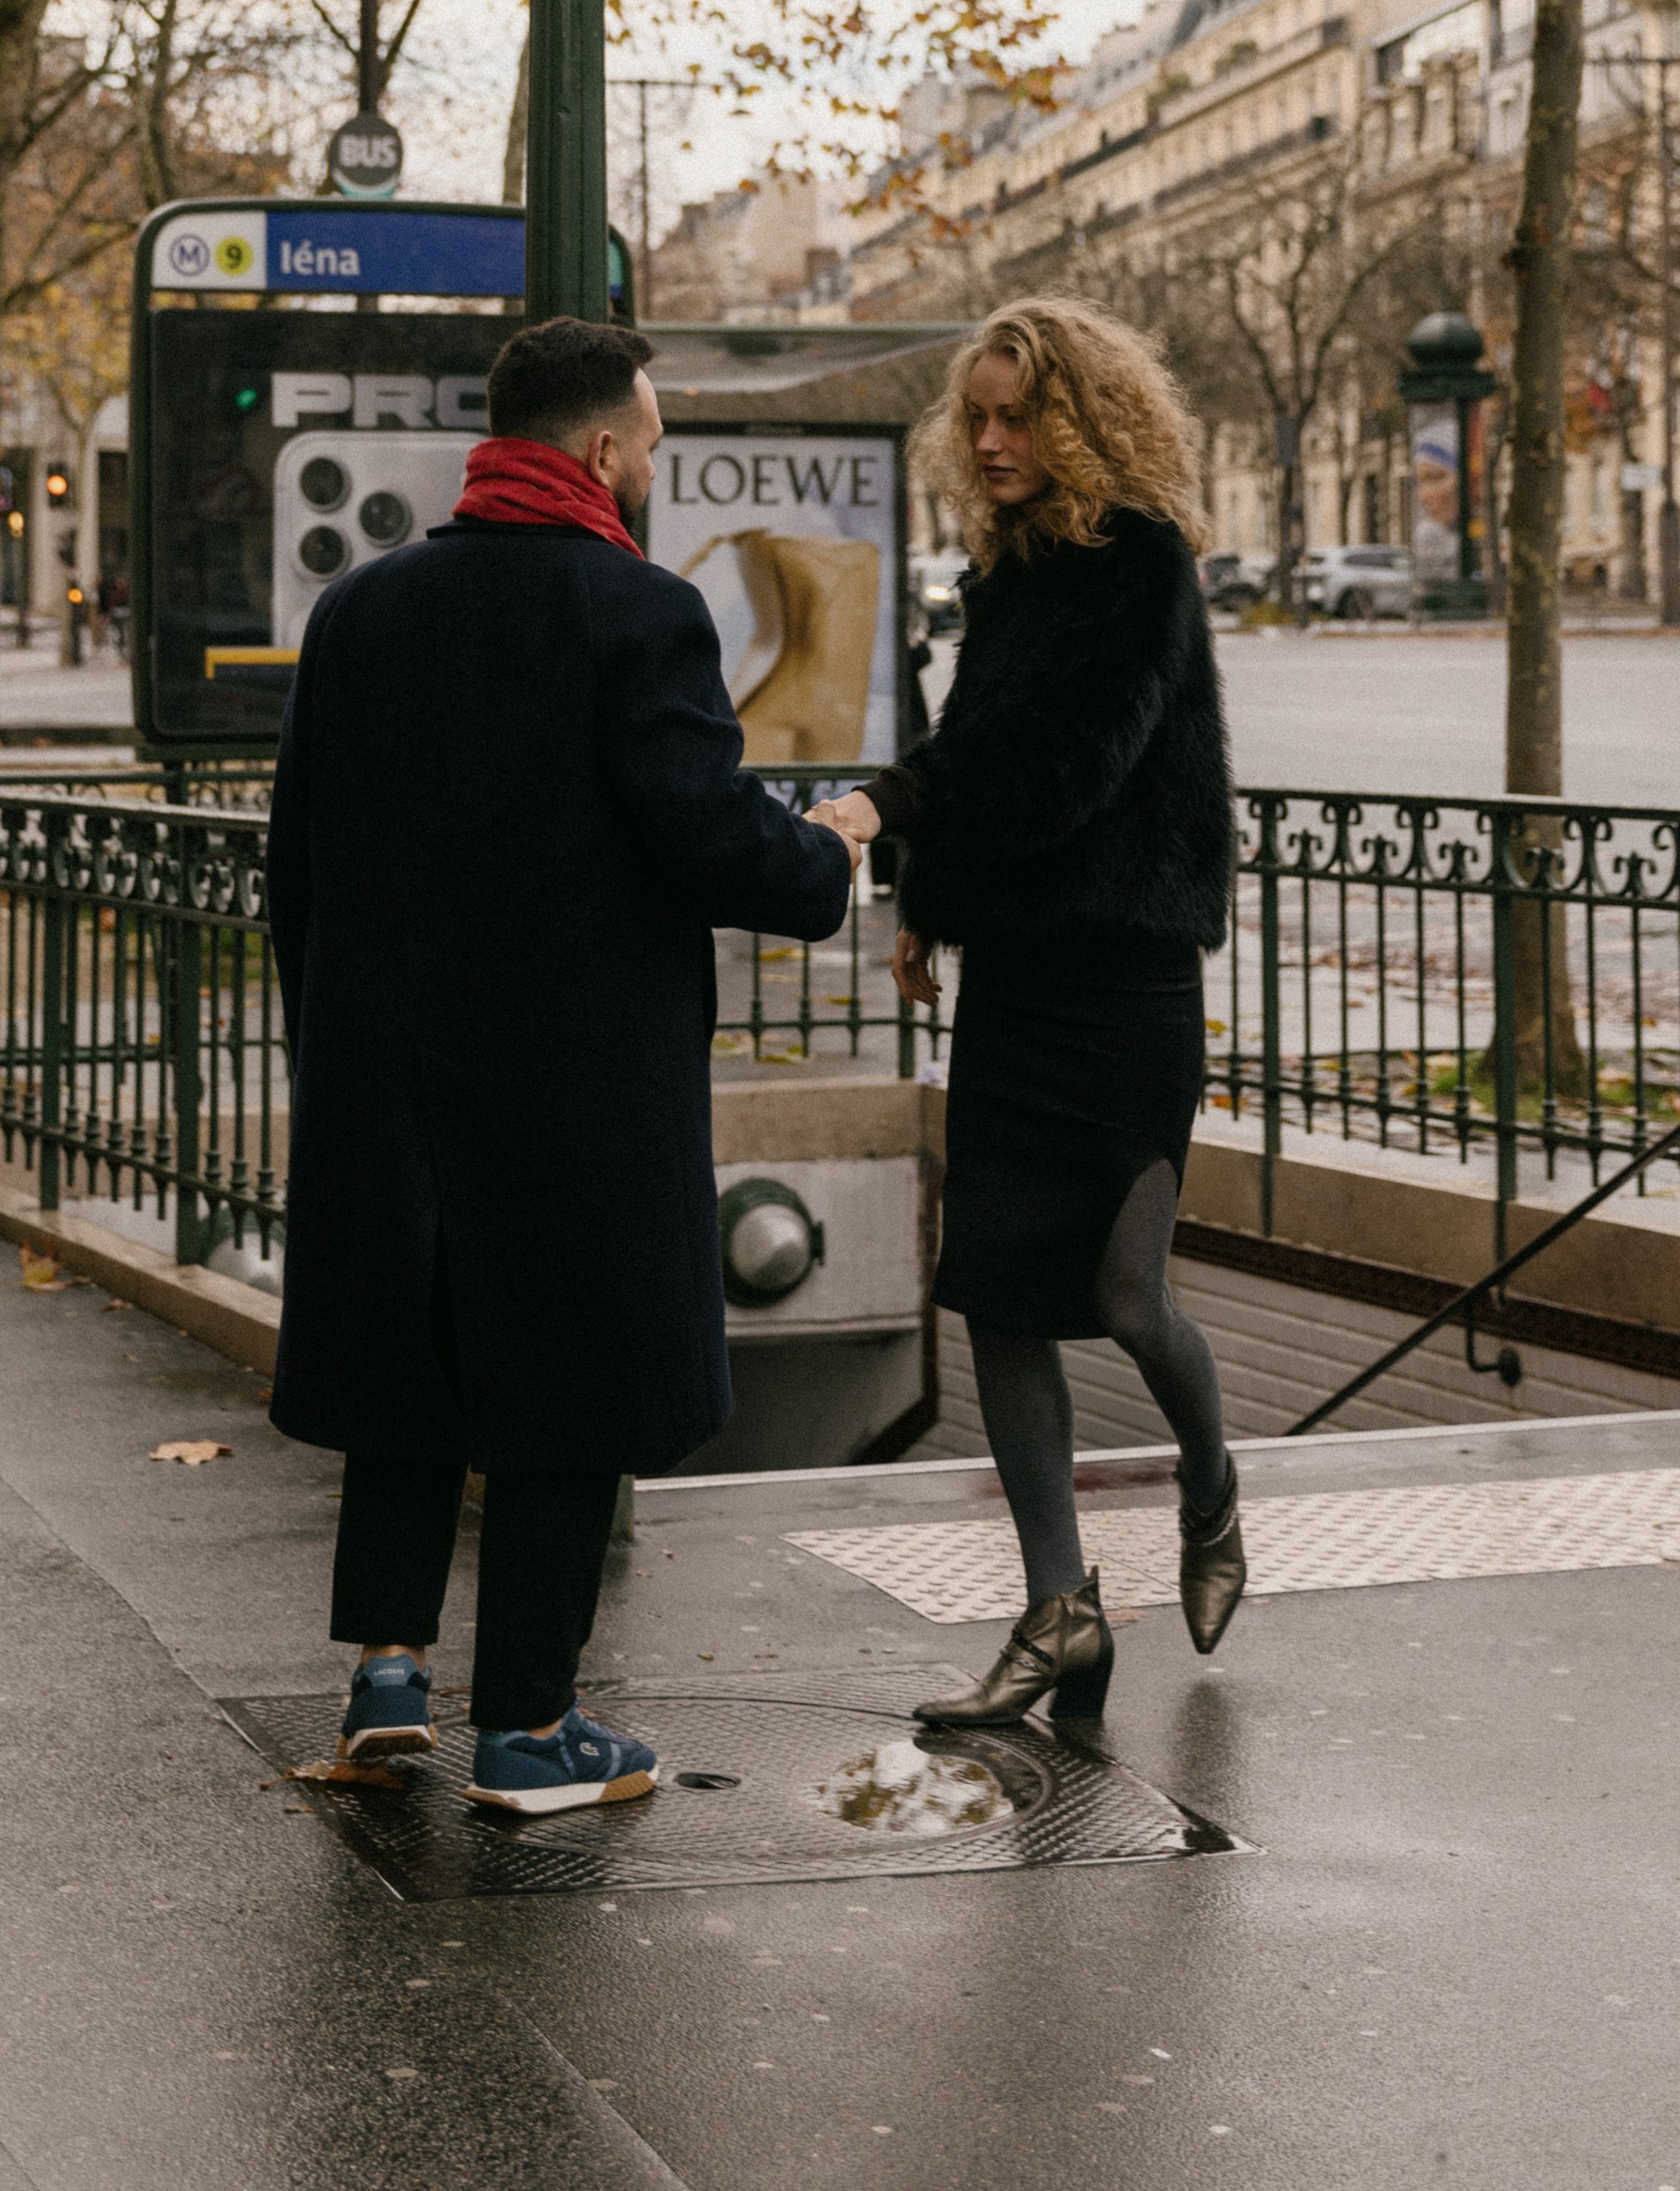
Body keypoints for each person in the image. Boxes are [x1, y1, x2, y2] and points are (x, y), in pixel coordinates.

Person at [265, 313, 859, 1816]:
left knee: (412, 1360)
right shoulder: (635, 609)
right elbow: (703, 828)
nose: (657, 464)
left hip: (389, 1069)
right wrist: (831, 850)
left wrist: (334, 1032)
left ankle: (389, 1674)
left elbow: (297, 867)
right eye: (653, 439)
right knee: (565, 1387)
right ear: (601, 446)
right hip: (573, 1086)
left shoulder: (362, 611)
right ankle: (530, 1729)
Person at [818, 297, 1245, 1726]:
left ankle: (1211, 1483)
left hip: (1123, 984)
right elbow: (978, 750)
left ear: (1081, 421)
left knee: (1127, 1293)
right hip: (1018, 985)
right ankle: (1059, 1608)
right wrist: (924, 894)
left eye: (1018, 416)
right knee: (997, 1296)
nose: (991, 441)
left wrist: (894, 811)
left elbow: (1056, 763)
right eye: (978, 417)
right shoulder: (999, 579)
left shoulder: (1138, 571)